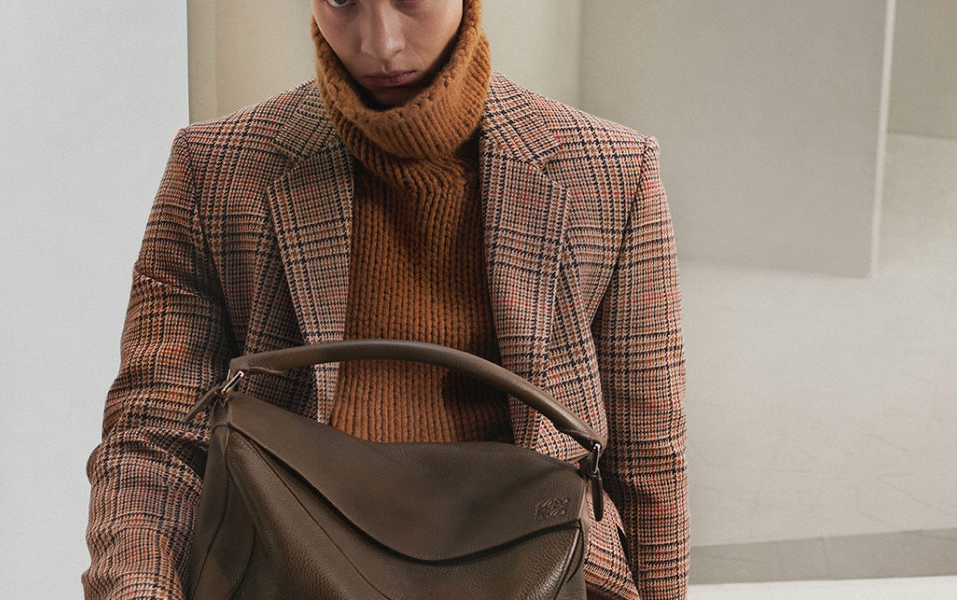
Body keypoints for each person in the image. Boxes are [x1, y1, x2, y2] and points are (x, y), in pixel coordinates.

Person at [83, 1, 688, 598]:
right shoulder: (216, 168)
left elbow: (648, 460)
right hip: (288, 572)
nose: (381, 43)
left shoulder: (610, 172)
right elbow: (155, 440)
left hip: (546, 576)